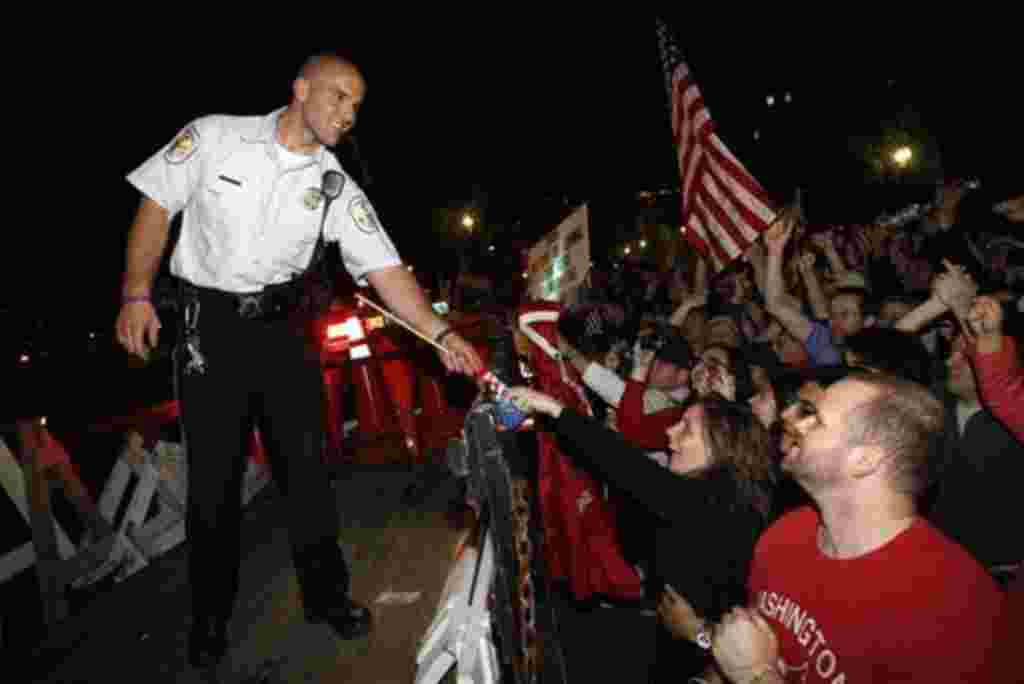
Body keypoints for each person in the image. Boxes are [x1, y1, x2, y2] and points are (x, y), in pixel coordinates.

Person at [114, 52, 483, 669]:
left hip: (284, 332)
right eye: (339, 97)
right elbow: (155, 206)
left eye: (358, 105)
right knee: (214, 487)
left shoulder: (334, 182)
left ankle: (327, 598)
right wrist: (135, 294)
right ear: (301, 89)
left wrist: (441, 334)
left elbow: (385, 270)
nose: (349, 113)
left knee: (307, 472)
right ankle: (209, 623)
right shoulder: (215, 136)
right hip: (211, 330)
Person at [667, 373, 1010, 683]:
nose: (787, 417)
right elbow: (741, 650)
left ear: (865, 459)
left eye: (812, 416)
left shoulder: (954, 607)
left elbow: (752, 666)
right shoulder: (785, 536)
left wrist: (757, 677)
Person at [505, 386, 777, 682]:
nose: (670, 433)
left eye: (686, 429)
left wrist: (554, 409)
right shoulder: (722, 497)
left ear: (721, 448)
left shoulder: (724, 505)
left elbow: (631, 470)